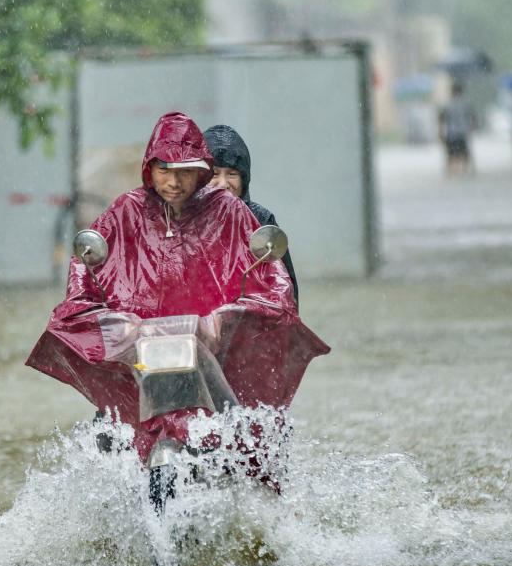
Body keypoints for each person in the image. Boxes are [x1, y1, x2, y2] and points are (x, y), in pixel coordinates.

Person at [26, 112, 317, 459]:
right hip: (145, 348)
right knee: (107, 434)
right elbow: (89, 263)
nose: (174, 183)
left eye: (185, 172)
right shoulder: (127, 210)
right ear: (151, 169)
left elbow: (276, 290)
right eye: (165, 170)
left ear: (199, 171)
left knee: (254, 441)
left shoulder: (237, 215)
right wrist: (103, 314)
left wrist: (226, 319)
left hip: (213, 349)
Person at [202, 124, 300, 306]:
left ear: (244, 178)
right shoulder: (184, 220)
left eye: (232, 174)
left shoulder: (261, 221)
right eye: (214, 174)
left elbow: (285, 290)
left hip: (248, 323)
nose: (223, 183)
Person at [439, 81, 475, 176]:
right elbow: (472, 118)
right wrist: (471, 129)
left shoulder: (447, 104)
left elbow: (442, 119)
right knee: (463, 154)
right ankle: (463, 171)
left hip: (451, 133)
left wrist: (441, 132)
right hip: (462, 132)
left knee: (451, 155)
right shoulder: (466, 103)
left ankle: (451, 172)